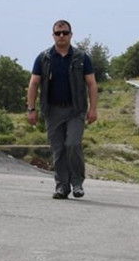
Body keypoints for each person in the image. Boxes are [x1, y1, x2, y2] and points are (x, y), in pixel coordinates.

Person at [26, 20, 98, 199]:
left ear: (71, 35)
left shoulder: (81, 58)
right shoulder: (44, 58)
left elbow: (91, 84)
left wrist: (93, 109)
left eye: (65, 33)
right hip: (53, 111)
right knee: (59, 150)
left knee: (73, 144)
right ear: (53, 36)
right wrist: (31, 109)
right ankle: (62, 186)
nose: (61, 36)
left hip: (75, 110)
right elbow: (34, 83)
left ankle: (77, 183)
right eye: (58, 33)